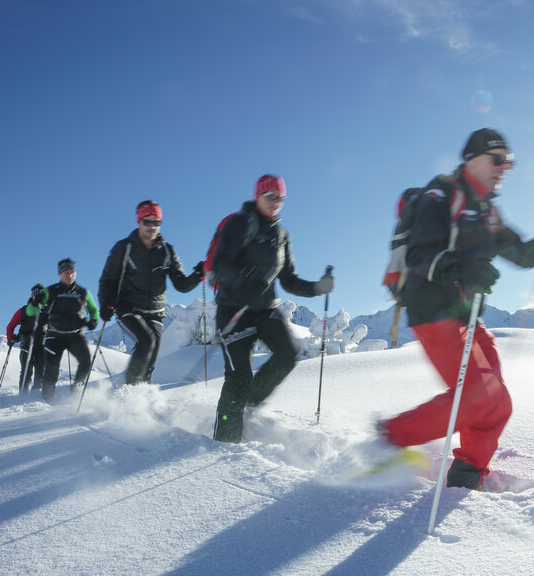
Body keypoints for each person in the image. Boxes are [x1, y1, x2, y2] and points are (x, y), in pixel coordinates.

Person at [377, 128, 534, 489]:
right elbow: (421, 255)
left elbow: (525, 256)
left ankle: (467, 475)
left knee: (497, 400)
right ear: (471, 158)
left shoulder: (489, 213)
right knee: (480, 393)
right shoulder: (440, 194)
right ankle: (388, 438)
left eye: (509, 162)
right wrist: (462, 268)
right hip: (432, 309)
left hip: (465, 315)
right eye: (497, 159)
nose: (504, 168)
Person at [210, 174, 334, 442]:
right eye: (271, 196)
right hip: (234, 310)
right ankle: (225, 441)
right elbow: (220, 265)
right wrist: (245, 286)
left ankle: (249, 405)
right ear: (258, 196)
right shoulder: (238, 223)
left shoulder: (280, 234)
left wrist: (316, 288)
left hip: (265, 309)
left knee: (287, 355)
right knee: (238, 377)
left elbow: (288, 279)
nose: (276, 202)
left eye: (281, 198)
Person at [98, 200, 205, 386]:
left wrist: (198, 274)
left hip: (155, 312)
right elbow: (108, 280)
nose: (152, 226)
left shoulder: (166, 251)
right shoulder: (124, 248)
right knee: (146, 342)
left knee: (151, 358)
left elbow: (181, 285)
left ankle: (142, 397)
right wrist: (106, 304)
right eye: (147, 221)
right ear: (139, 221)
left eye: (157, 222)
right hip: (128, 308)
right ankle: (129, 392)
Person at [38, 258, 99, 404]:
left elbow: (94, 309)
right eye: (66, 272)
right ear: (60, 274)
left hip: (76, 335)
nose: (69, 275)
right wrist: (36, 303)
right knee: (52, 370)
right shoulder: (50, 291)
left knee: (86, 362)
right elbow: (32, 308)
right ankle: (46, 401)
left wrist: (93, 320)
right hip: (54, 336)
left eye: (72, 272)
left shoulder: (83, 292)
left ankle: (76, 390)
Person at [5, 283, 46, 393]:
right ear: (32, 296)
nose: (37, 297)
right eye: (35, 294)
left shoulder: (47, 311)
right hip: (26, 344)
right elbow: (10, 326)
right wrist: (11, 338)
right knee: (26, 370)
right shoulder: (23, 311)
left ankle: (35, 394)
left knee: (40, 370)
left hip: (41, 345)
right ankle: (23, 394)